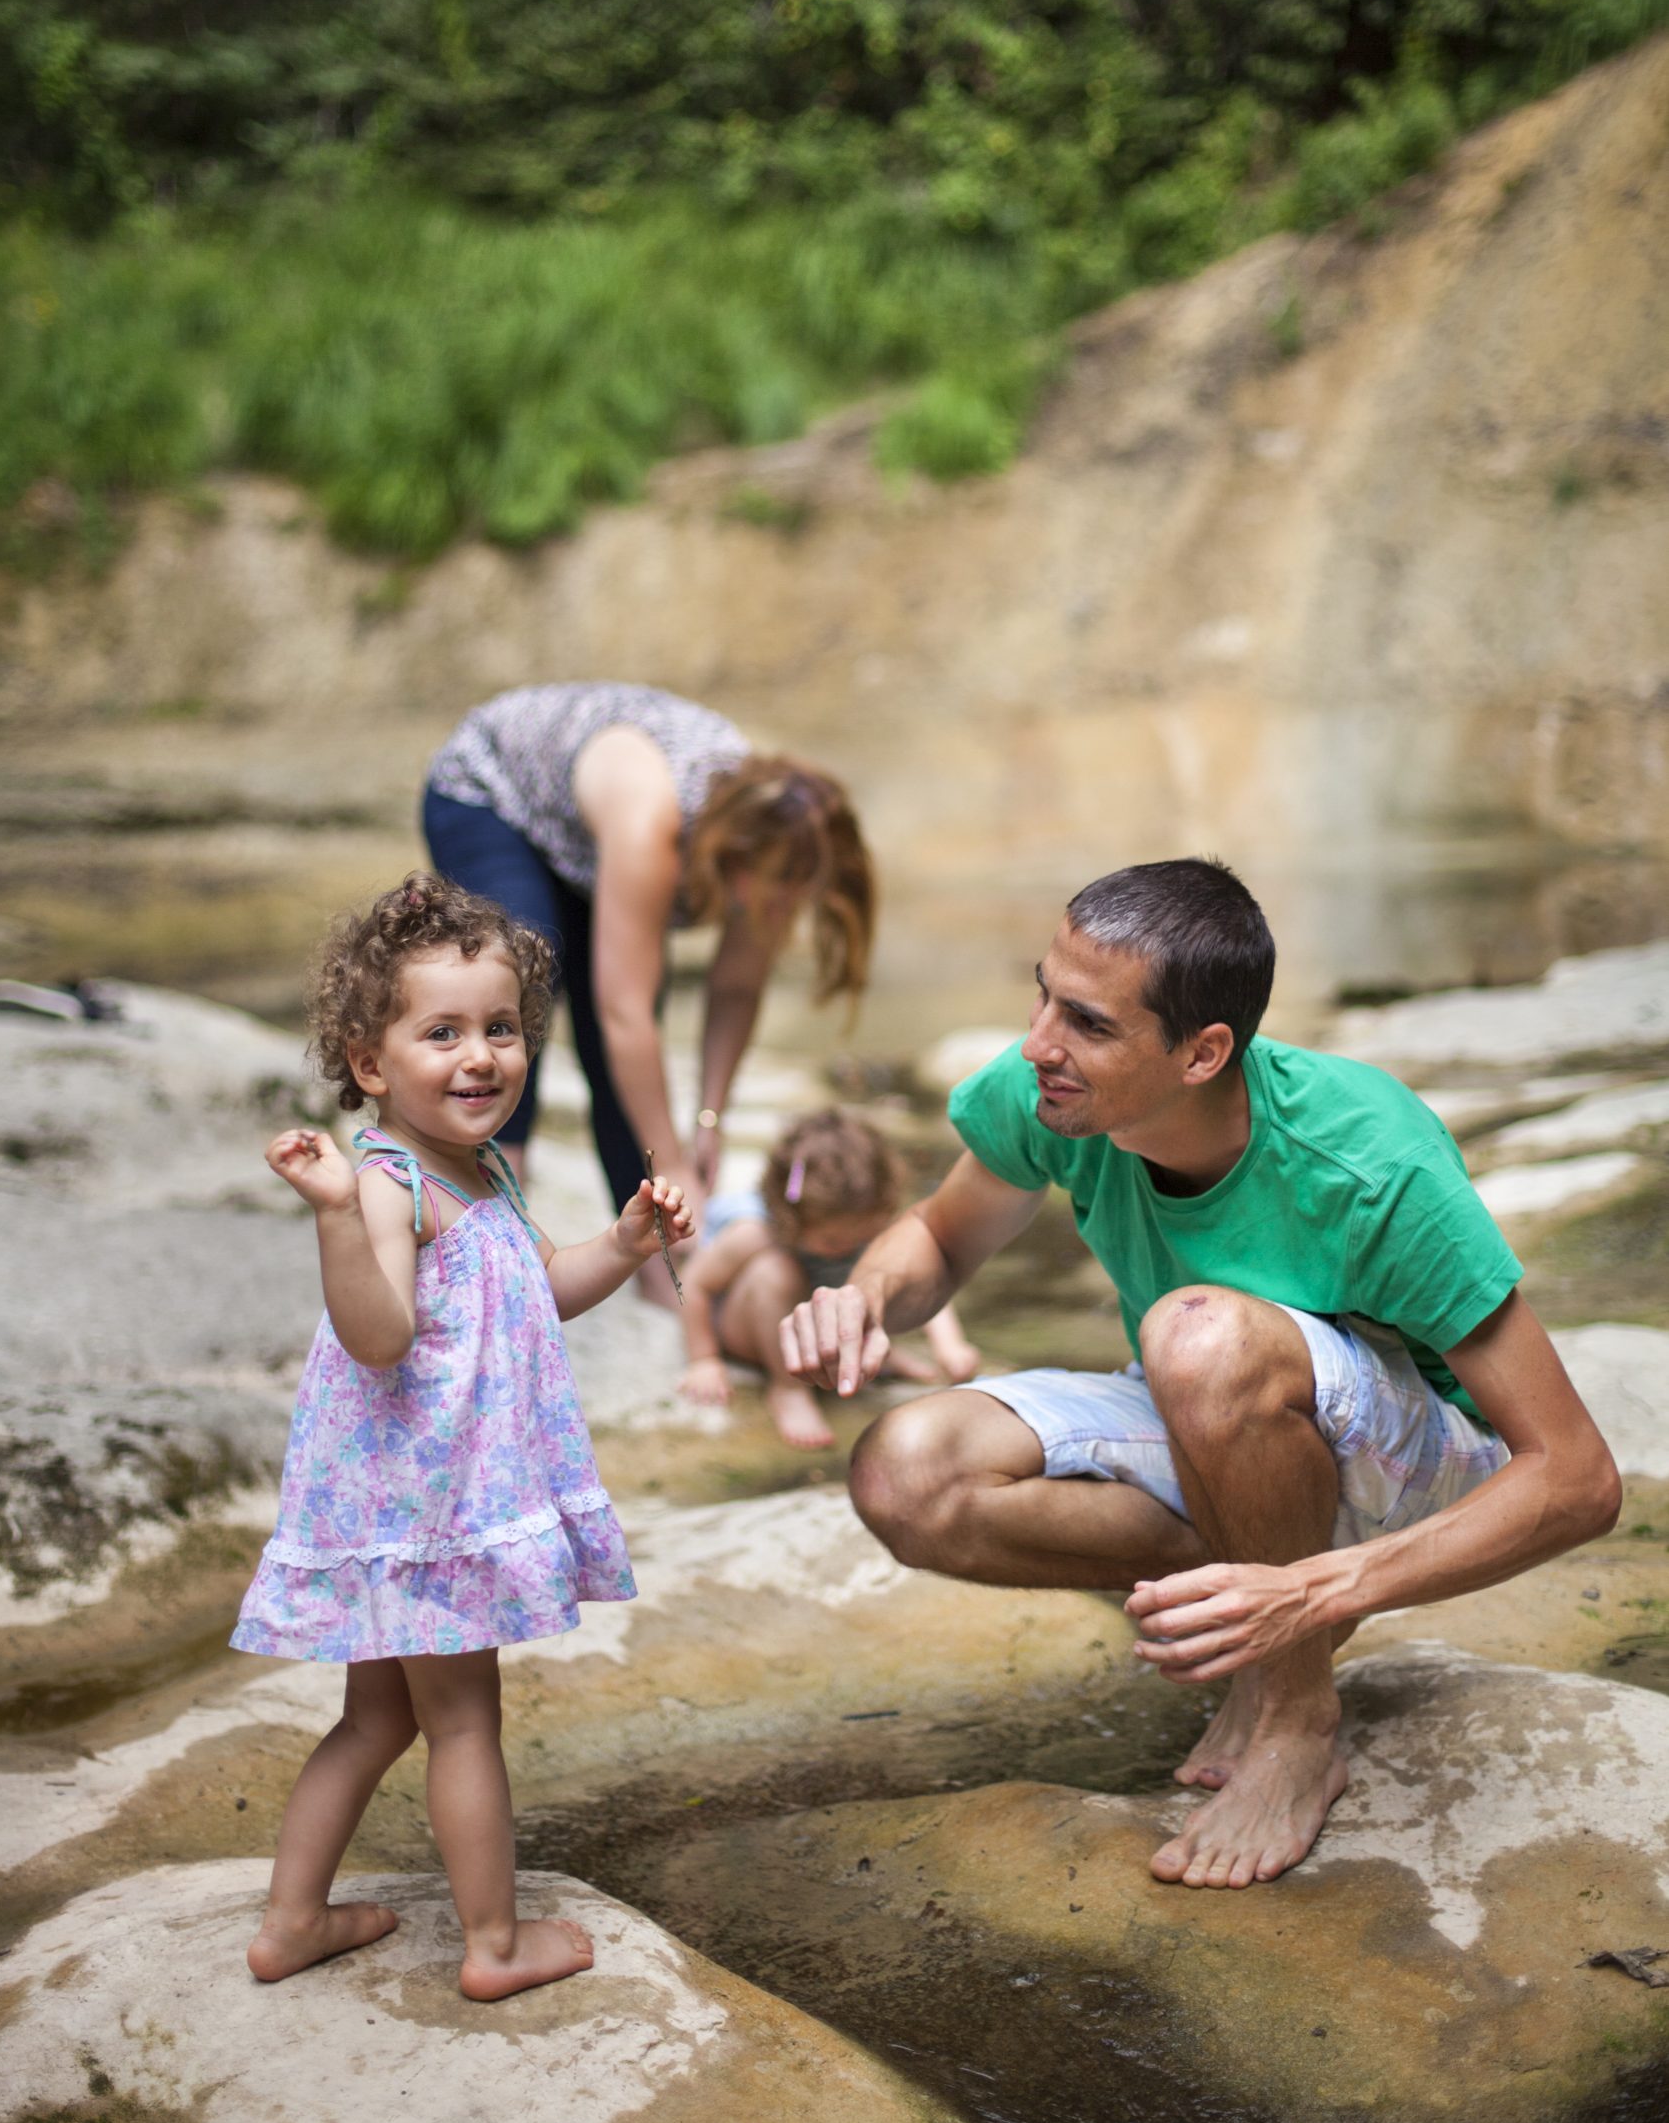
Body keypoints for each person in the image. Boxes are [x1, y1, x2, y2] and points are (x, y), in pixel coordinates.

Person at [779, 858, 1622, 1894]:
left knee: (1196, 1334)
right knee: (907, 1473)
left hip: (1419, 1464)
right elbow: (940, 1243)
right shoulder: (1047, 1091)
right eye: (1041, 994)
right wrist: (864, 1297)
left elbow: (1576, 1478)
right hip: (1219, 1408)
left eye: (1088, 1022)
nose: (1040, 1041)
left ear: (1203, 1051)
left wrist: (1312, 1590)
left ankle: (1297, 1716)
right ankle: (1262, 1584)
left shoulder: (1370, 1161)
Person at [232, 874, 694, 1999]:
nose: (479, 1054)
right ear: (371, 1061)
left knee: (376, 1715)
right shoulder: (386, 1184)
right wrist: (340, 1216)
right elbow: (378, 1335)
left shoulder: (480, 1164)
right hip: (429, 1507)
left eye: (501, 1028)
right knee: (463, 1723)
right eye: (441, 1032)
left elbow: (538, 1289)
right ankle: (492, 1944)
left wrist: (626, 1245)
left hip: (423, 1501)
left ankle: (291, 1924)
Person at [421, 682, 869, 1232]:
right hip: (492, 795)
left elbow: (736, 989)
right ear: (737, 855)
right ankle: (491, 1203)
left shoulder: (784, 850)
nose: (784, 909)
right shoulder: (652, 818)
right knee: (521, 973)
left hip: (583, 841)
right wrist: (674, 1169)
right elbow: (625, 1016)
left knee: (620, 1067)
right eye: (777, 890)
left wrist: (708, 1120)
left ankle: (652, 1260)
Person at [679, 1107, 977, 1448]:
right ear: (790, 1217)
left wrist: (950, 1345)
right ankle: (788, 1388)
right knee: (775, 1273)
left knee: (893, 1259)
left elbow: (924, 1274)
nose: (846, 1247)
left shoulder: (867, 1220)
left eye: (862, 1233)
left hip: (818, 1325)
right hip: (754, 1327)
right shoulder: (755, 1231)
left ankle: (871, 1353)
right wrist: (703, 1359)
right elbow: (694, 1284)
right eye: (833, 1241)